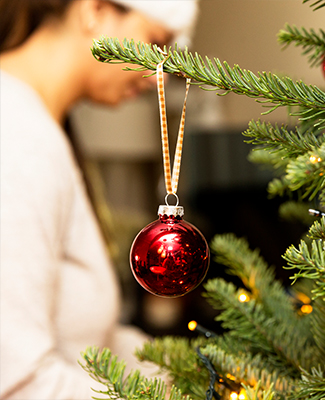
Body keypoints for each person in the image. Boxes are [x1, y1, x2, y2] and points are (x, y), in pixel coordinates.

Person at [0, 1, 198, 398]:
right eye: (157, 43)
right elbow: (18, 382)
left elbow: (89, 345)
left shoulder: (41, 127)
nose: (160, 73)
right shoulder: (17, 138)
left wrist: (189, 371)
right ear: (94, 10)